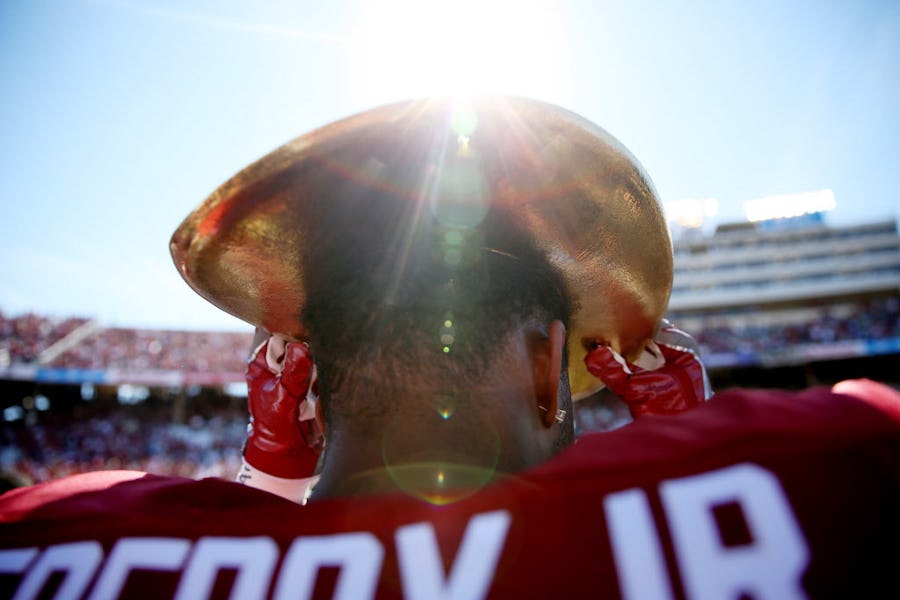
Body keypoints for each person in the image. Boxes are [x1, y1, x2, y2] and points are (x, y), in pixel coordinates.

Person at [1, 97, 898, 599]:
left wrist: (273, 472)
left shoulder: (51, 547)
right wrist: (706, 445)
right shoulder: (842, 472)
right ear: (552, 368)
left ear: (312, 380)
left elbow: (276, 554)